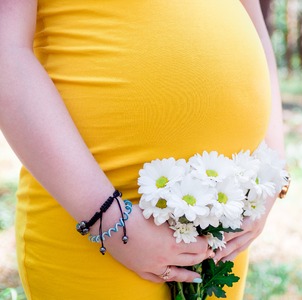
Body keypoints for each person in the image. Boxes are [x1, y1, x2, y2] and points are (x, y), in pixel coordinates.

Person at [0, 0, 285, 299]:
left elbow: (255, 29)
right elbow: (6, 49)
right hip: (99, 222)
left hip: (224, 222)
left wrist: (274, 171)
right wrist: (111, 221)